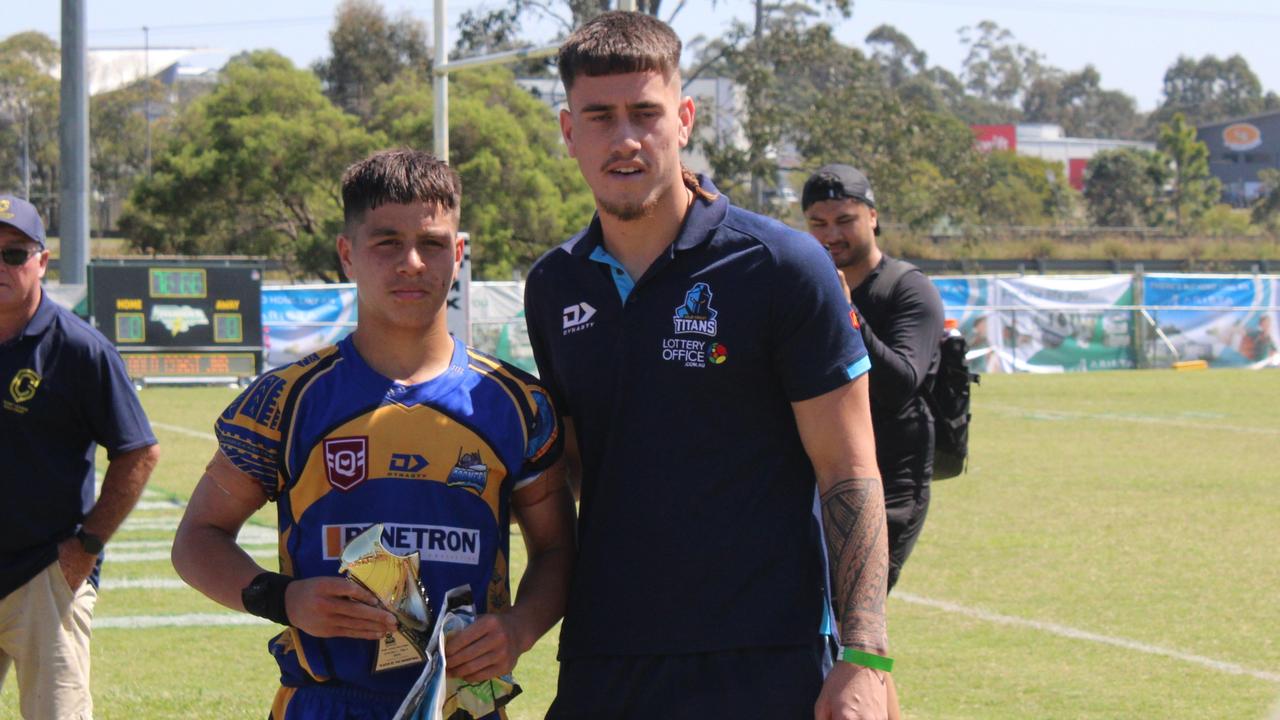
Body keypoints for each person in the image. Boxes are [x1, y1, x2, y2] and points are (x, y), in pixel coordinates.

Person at [523, 13, 891, 719]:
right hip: (607, 653)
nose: (625, 138)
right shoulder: (555, 284)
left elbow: (848, 470)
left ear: (684, 119)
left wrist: (866, 655)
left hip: (767, 654)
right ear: (569, 132)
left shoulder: (783, 266)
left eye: (646, 113)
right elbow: (566, 475)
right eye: (599, 116)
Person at [171, 150, 575, 720]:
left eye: (432, 243)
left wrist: (519, 626)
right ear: (347, 255)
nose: (411, 262)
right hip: (325, 701)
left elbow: (558, 549)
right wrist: (281, 597)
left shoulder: (515, 403)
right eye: (386, 242)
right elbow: (197, 539)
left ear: (458, 255)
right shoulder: (288, 399)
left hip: (463, 703)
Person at [0, 194, 160, 719]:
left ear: (42, 261)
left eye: (13, 253)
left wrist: (86, 546)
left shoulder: (78, 347)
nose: (2, 265)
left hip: (44, 574)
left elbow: (138, 451)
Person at [803, 165, 945, 716]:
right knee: (843, 627)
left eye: (845, 220)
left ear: (873, 218)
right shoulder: (809, 287)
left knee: (857, 624)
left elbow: (900, 384)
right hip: (826, 478)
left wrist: (847, 311)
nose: (831, 234)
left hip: (891, 486)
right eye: (817, 223)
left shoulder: (908, 290)